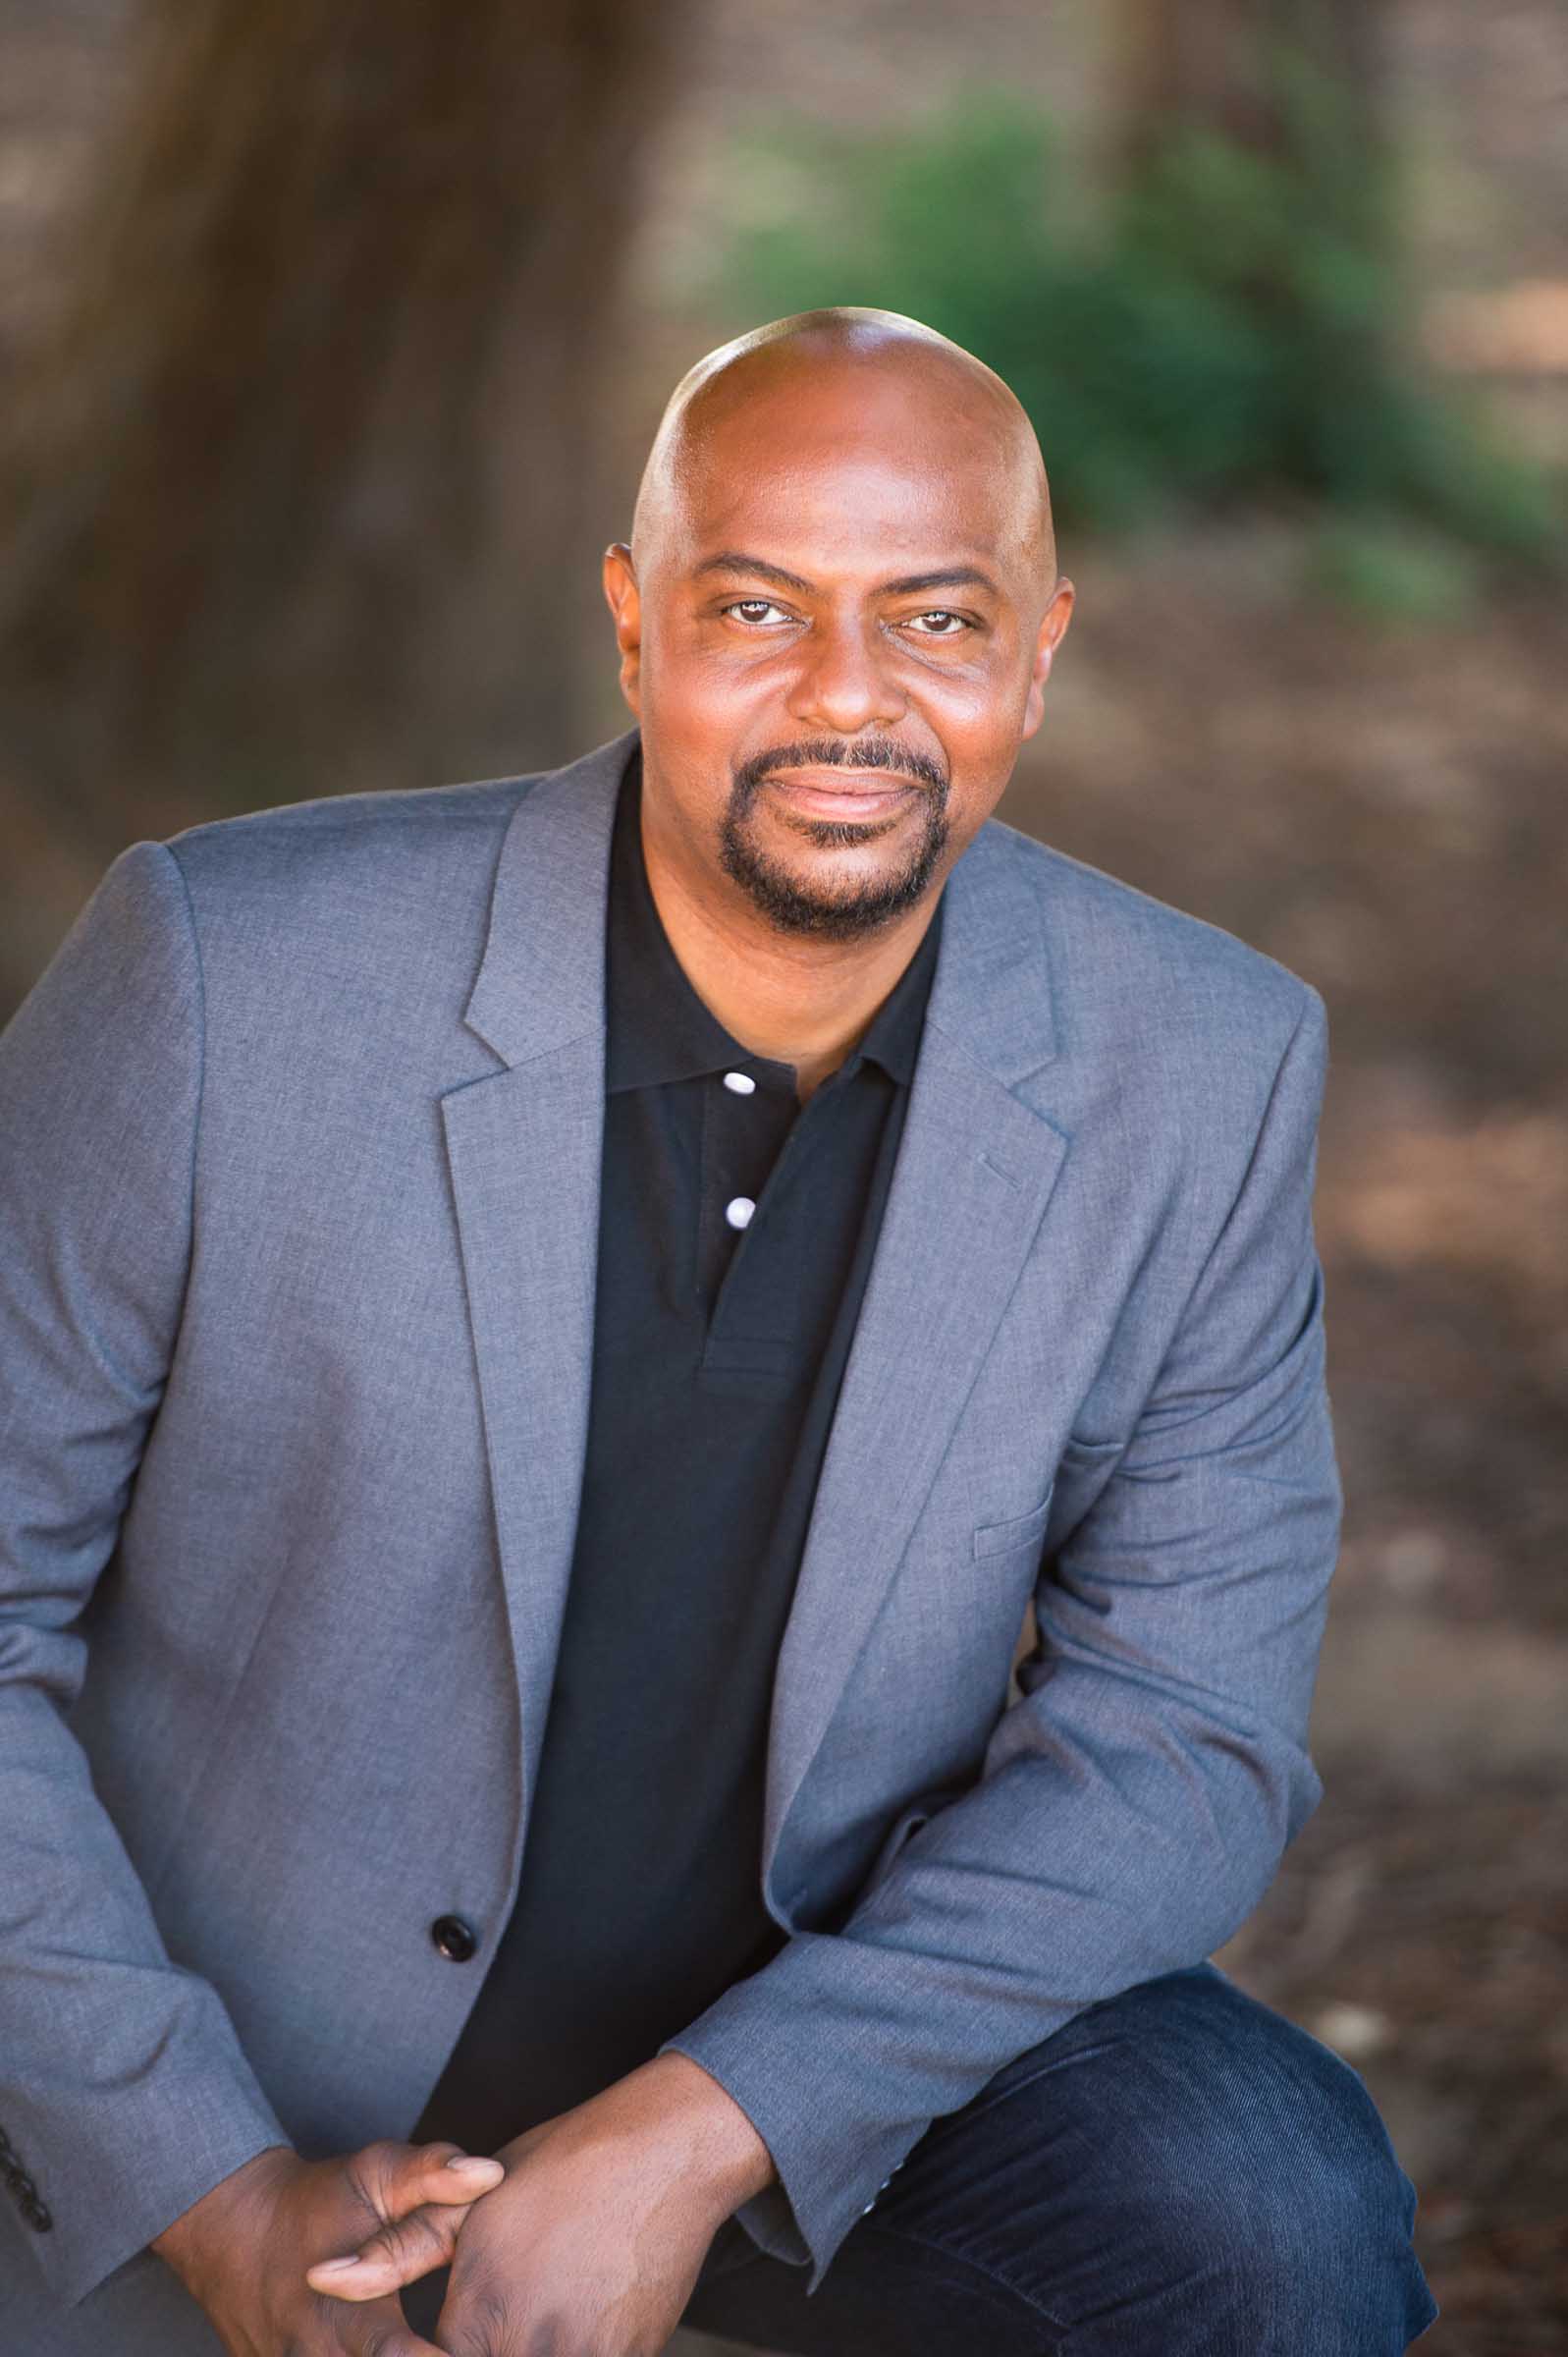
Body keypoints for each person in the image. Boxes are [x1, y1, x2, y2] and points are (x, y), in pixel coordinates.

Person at [0, 306, 1438, 2357]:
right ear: (631, 623)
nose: (847, 694)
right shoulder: (227, 978)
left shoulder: (1197, 1066)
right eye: (758, 607)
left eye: (936, 620)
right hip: (247, 2058)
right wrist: (215, 2197)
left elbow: (1181, 1735)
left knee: (1266, 2217)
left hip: (820, 2066)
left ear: (1038, 650)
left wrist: (703, 2130)